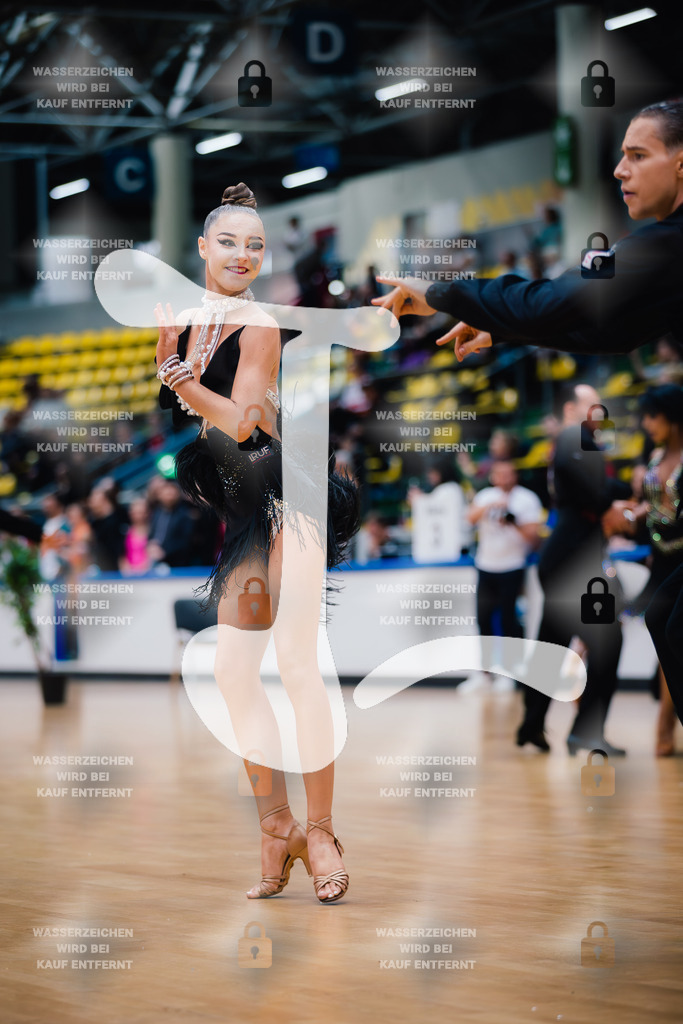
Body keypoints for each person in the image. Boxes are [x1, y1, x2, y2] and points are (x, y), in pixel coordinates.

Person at [155, 182, 357, 903]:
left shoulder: (260, 325)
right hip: (245, 513)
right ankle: (278, 830)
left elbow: (242, 423)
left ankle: (324, 827)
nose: (243, 254)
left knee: (300, 665)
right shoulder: (191, 325)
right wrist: (173, 368)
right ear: (204, 248)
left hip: (290, 499)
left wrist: (178, 381)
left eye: (256, 245)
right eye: (230, 242)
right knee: (234, 674)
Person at [371, 99, 683, 358]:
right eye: (622, 156)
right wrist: (499, 327)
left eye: (638, 156)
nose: (619, 170)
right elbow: (613, 333)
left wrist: (439, 292)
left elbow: (548, 303)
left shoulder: (665, 247)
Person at [517, 385, 628, 755]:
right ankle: (584, 731)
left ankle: (531, 725)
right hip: (573, 560)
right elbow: (591, 490)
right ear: (571, 408)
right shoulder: (571, 436)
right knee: (608, 642)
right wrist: (626, 487)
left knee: (552, 647)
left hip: (570, 557)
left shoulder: (579, 441)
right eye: (589, 401)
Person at [602, 385, 683, 755]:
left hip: (680, 563)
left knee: (672, 629)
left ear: (672, 416)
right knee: (628, 619)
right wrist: (631, 514)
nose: (647, 424)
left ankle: (665, 722)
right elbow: (648, 509)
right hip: (659, 561)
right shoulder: (653, 457)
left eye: (653, 416)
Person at [464, 461, 542, 691]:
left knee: (510, 621)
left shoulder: (527, 499)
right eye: (500, 474)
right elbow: (469, 518)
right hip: (486, 565)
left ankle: (510, 672)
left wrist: (513, 520)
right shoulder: (485, 496)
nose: (505, 478)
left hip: (513, 566)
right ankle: (484, 674)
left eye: (509, 474)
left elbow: (534, 537)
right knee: (483, 620)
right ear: (493, 477)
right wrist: (489, 506)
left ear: (515, 476)